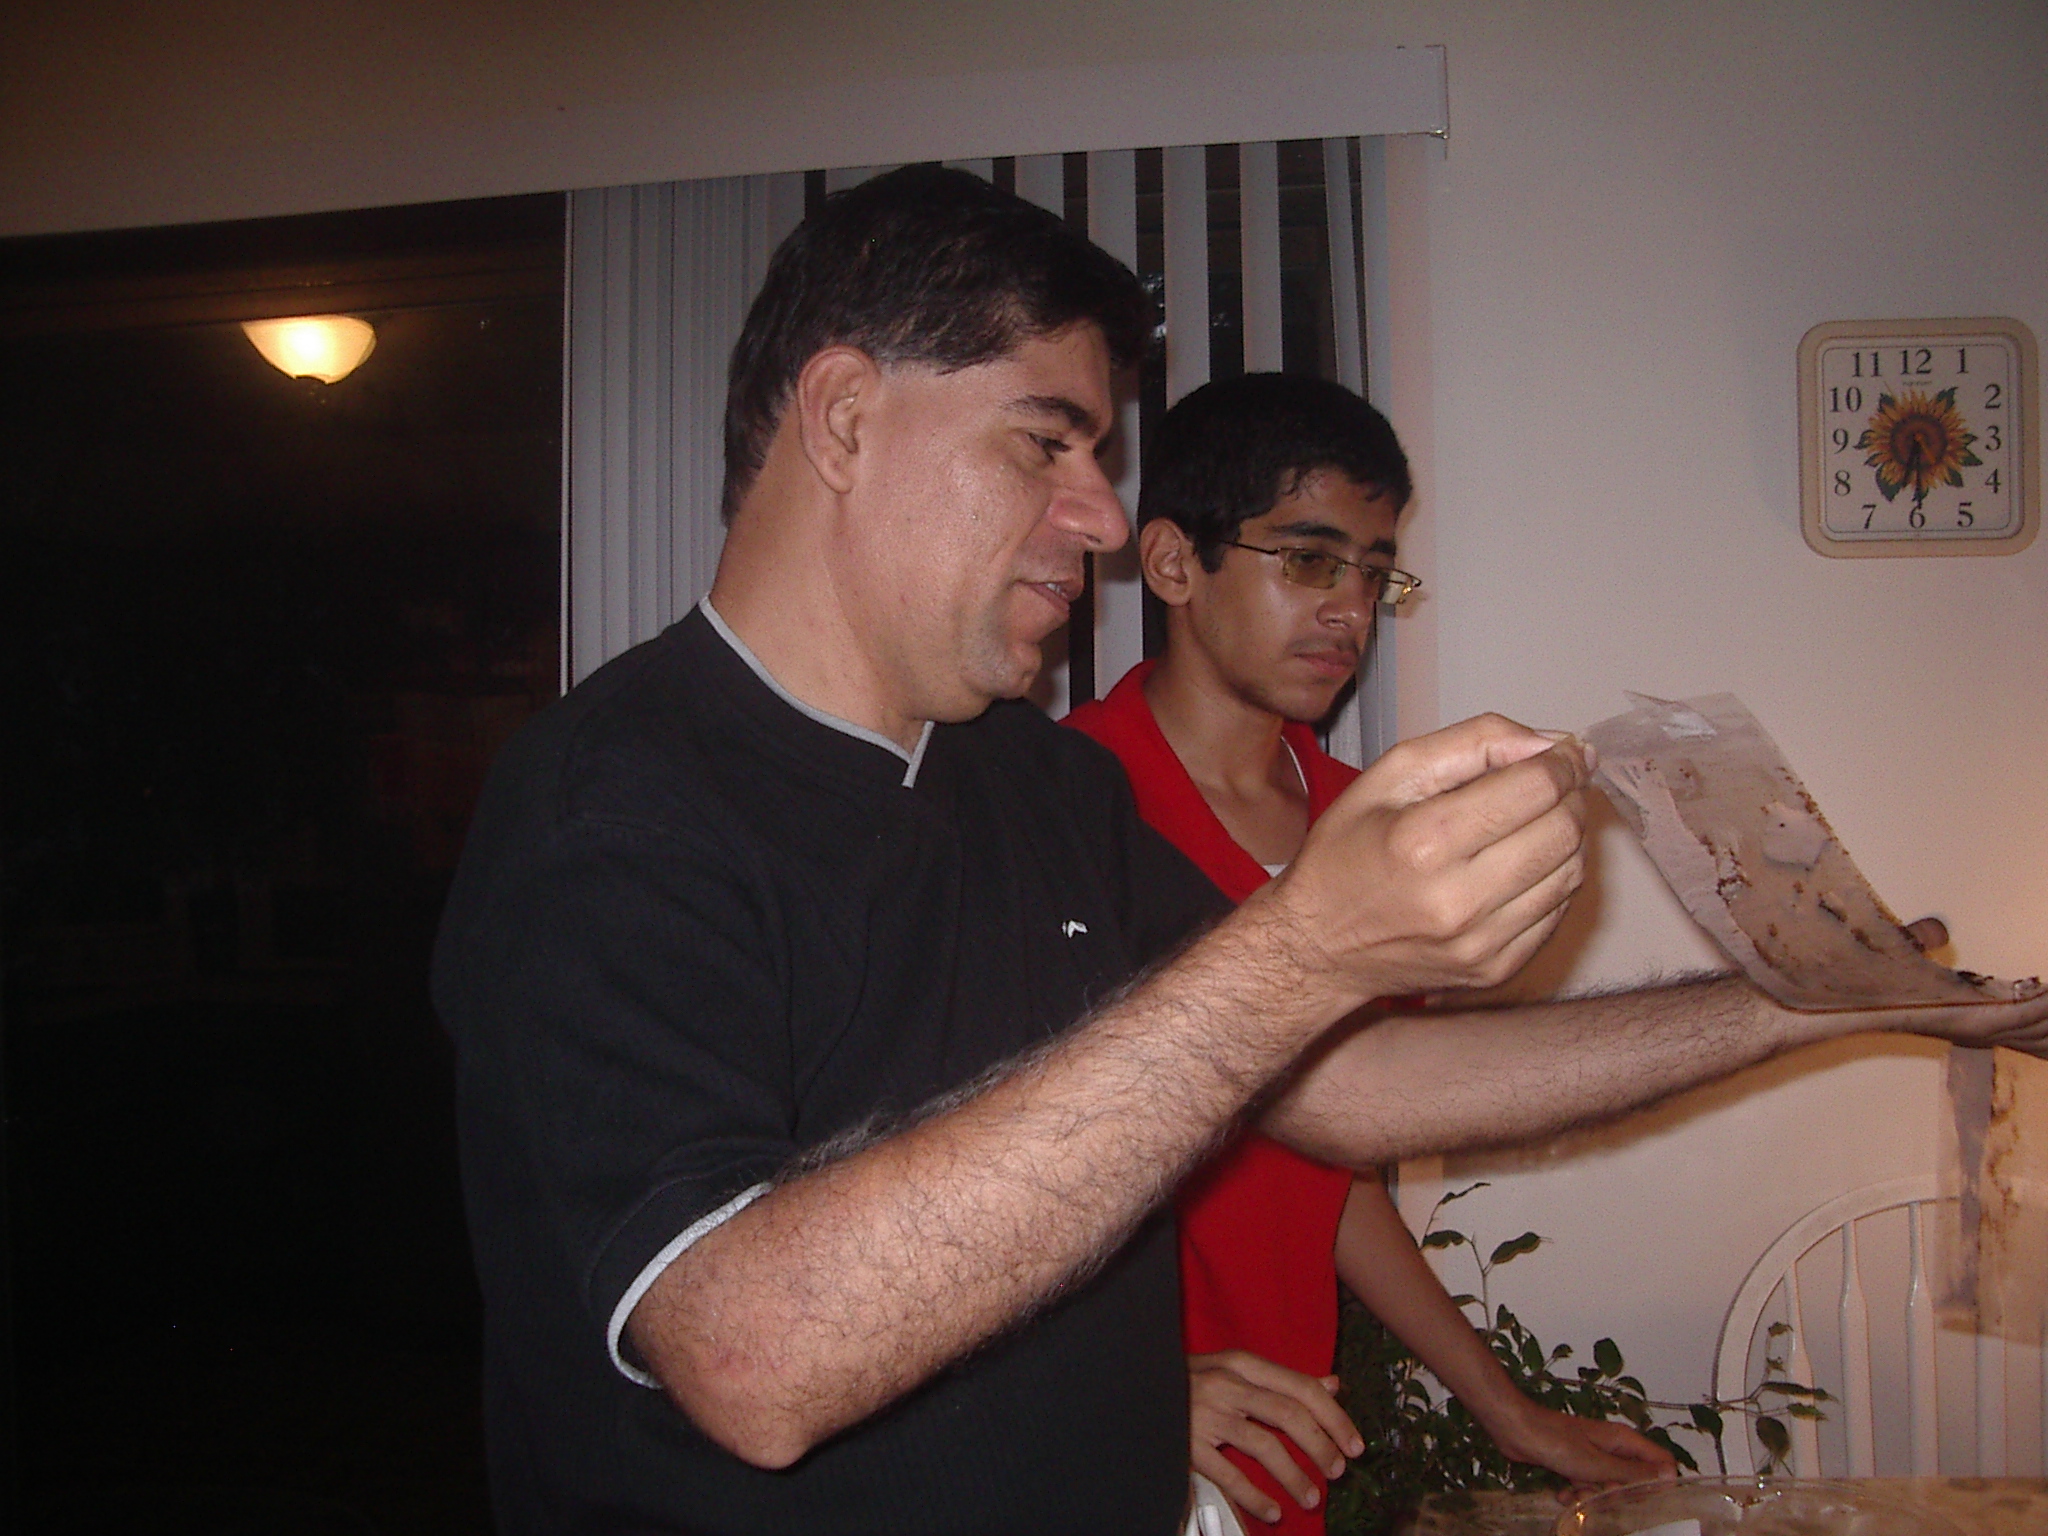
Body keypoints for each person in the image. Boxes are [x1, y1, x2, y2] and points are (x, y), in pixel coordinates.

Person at [432, 167, 2048, 1536]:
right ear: (845, 417)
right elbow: (749, 1356)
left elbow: (1342, 1087)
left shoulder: (1035, 787)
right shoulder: (612, 806)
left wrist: (1798, 1002)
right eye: (1045, 441)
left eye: (1098, 457)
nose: (1094, 514)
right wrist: (1304, 946)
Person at [1066, 374, 1674, 1533]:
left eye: (1370, 572)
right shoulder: (1060, 800)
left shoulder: (1370, 829)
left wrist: (1509, 1414)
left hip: (1282, 1435)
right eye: (1306, 560)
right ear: (1173, 563)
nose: (1349, 608)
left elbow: (1330, 1164)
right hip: (1094, 1446)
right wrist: (1128, 1390)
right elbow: (975, 1167)